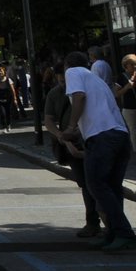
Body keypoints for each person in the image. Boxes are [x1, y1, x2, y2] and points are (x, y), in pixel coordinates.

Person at [61, 50, 136, 253]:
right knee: (112, 187)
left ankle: (123, 232)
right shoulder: (96, 80)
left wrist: (70, 127)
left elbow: (79, 97)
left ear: (68, 65)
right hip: (119, 135)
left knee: (95, 184)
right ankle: (113, 233)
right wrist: (78, 130)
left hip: (102, 138)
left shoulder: (73, 72)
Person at [41, 62, 101, 239]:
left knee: (99, 183)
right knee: (85, 184)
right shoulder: (55, 94)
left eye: (66, 81)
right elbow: (49, 120)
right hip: (72, 143)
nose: (65, 86)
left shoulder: (86, 90)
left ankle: (111, 224)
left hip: (94, 138)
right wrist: (62, 137)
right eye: (61, 82)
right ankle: (93, 223)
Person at [0, 66, 19, 131]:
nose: (0, 72)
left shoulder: (8, 79)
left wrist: (15, 99)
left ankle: (8, 125)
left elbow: (13, 90)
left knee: (8, 112)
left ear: (4, 72)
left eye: (1, 71)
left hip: (8, 98)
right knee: (2, 113)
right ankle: (4, 125)